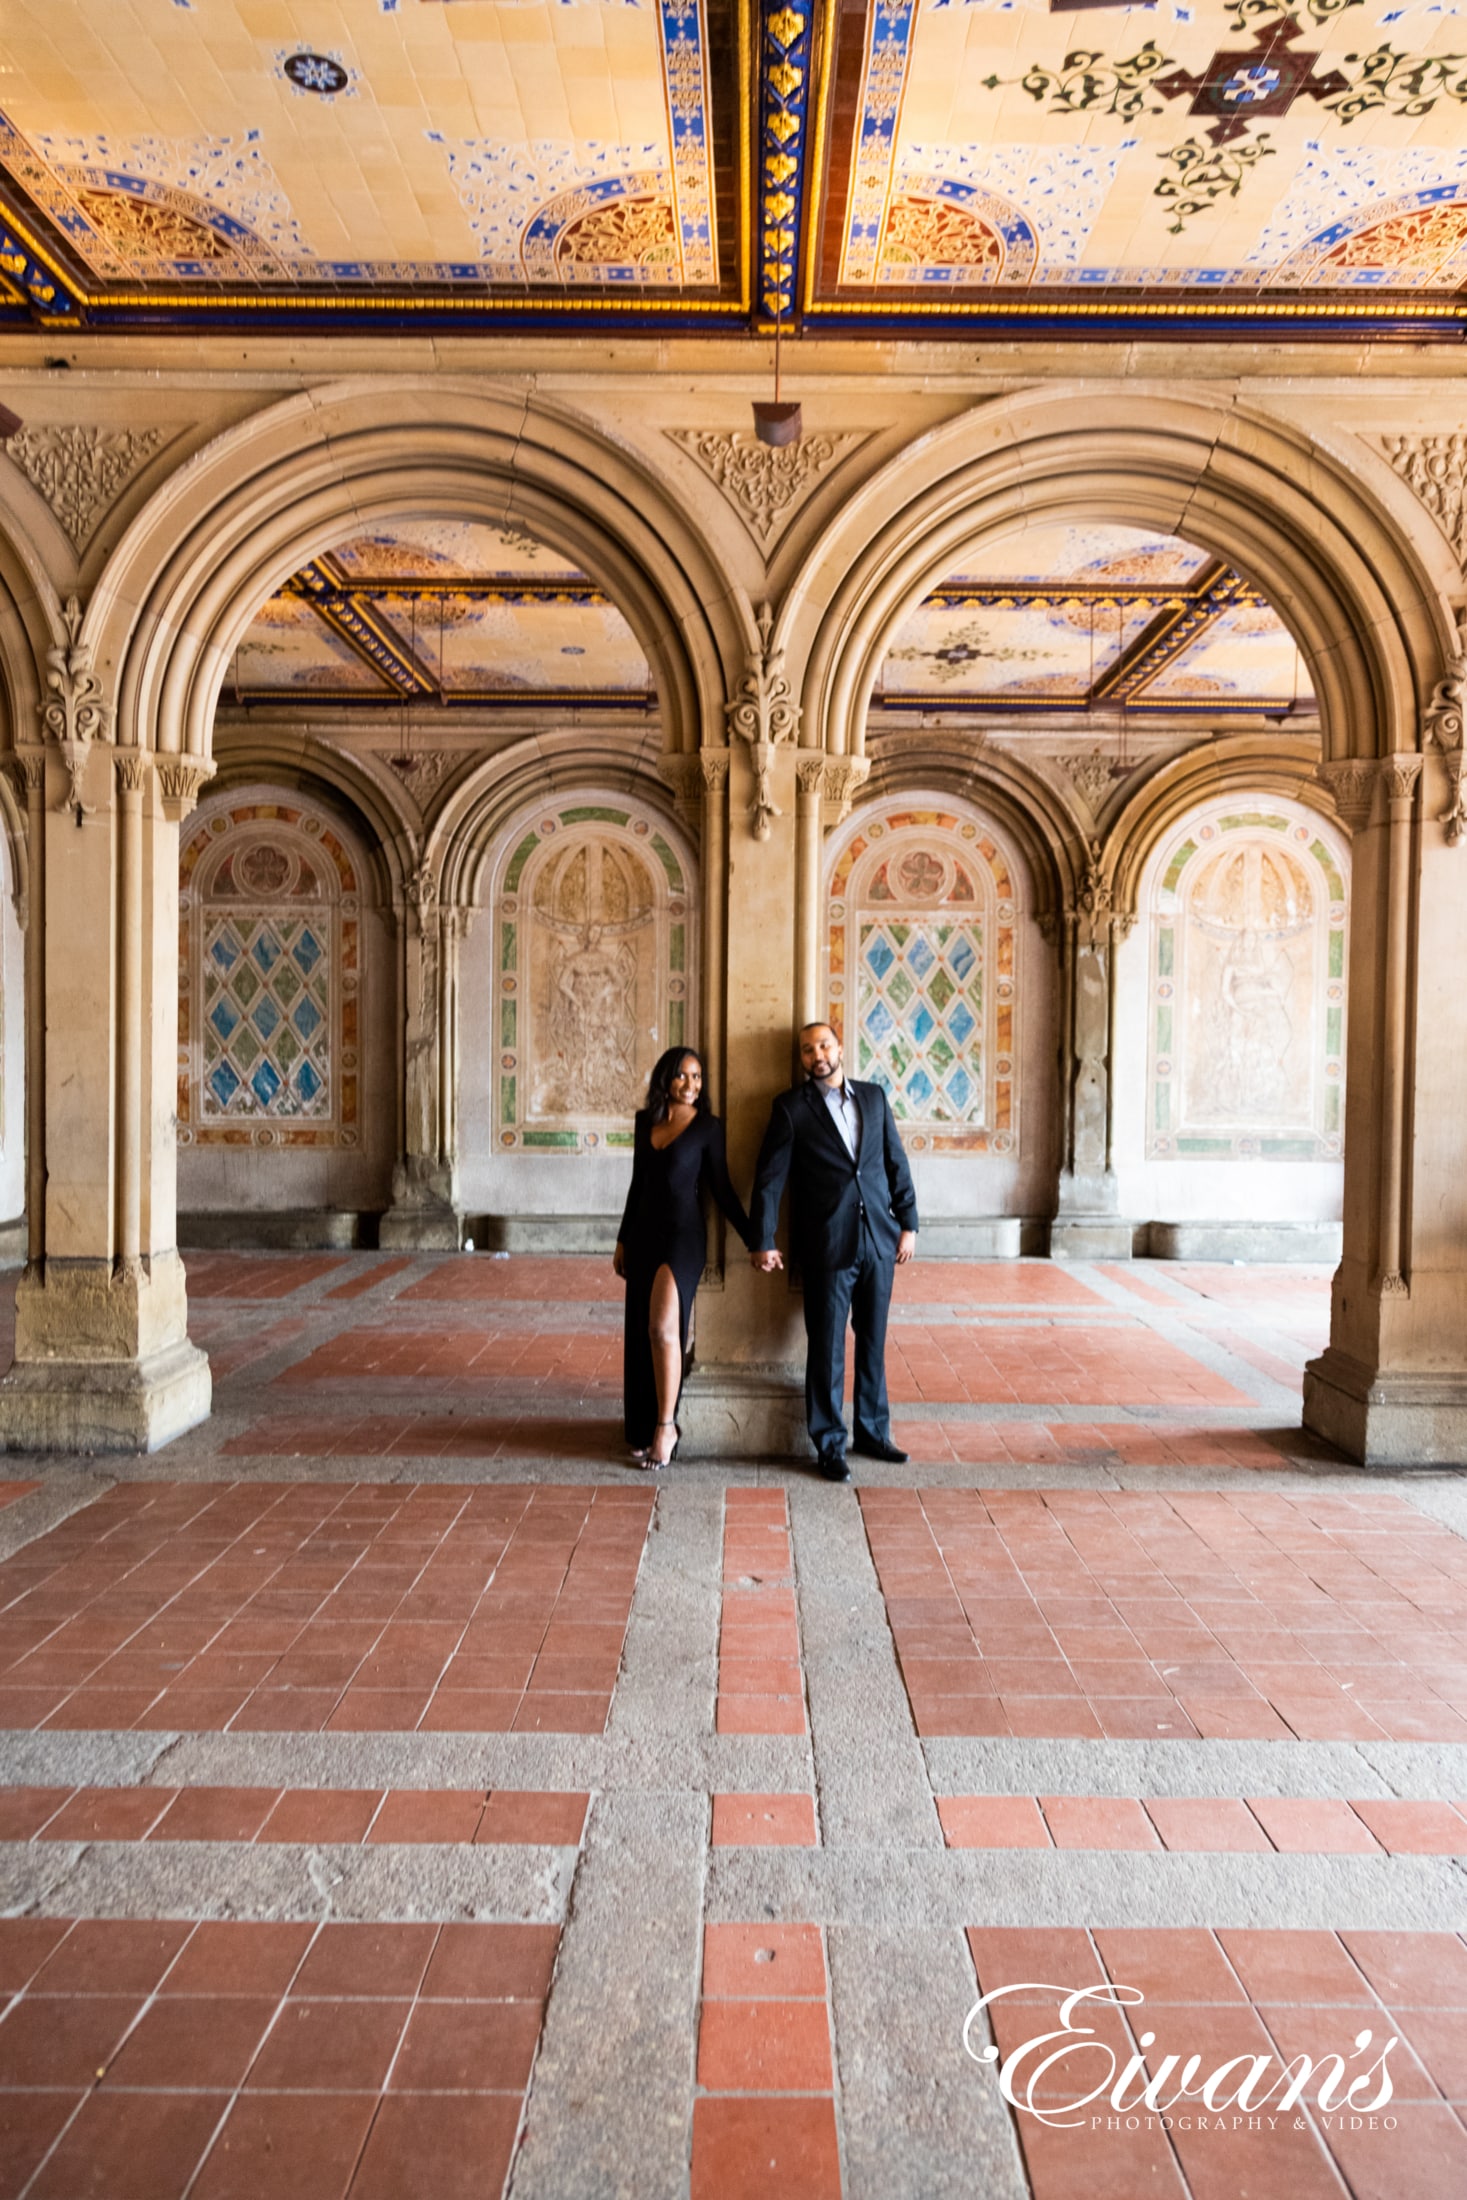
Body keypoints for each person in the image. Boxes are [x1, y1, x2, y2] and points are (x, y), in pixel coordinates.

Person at [748, 1021, 918, 1480]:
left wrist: (909, 1224)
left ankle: (874, 1432)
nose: (816, 1055)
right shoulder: (790, 1109)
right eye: (807, 1050)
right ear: (802, 1059)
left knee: (873, 1340)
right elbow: (769, 1180)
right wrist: (762, 1239)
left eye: (823, 1045)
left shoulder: (874, 1097)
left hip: (880, 1240)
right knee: (825, 1348)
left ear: (839, 1047)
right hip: (826, 1244)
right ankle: (829, 1444)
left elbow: (894, 1162)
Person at [614, 1047, 753, 1469]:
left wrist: (756, 1239)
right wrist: (621, 1240)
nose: (691, 1085)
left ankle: (665, 1425)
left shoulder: (709, 1128)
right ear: (665, 1079)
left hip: (683, 1238)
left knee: (662, 1329)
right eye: (682, 1076)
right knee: (640, 1333)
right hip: (642, 1237)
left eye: (697, 1077)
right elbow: (638, 1186)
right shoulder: (645, 1123)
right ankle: (638, 1428)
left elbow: (723, 1191)